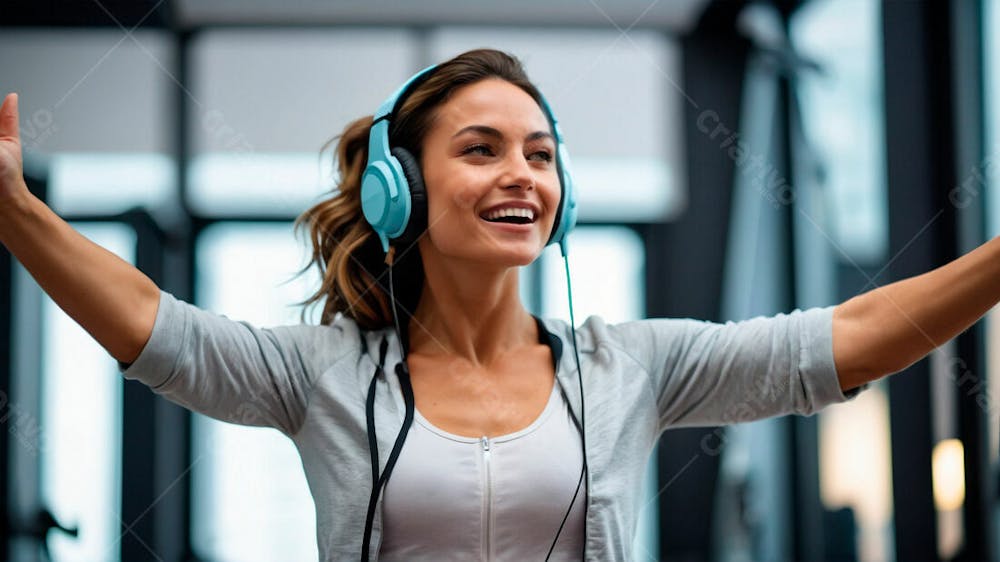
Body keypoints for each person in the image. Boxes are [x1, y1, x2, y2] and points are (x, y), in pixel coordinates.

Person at [0, 48, 998, 561]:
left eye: (540, 153)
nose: (521, 174)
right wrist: (17, 216)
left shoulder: (628, 367)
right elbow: (152, 324)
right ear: (401, 188)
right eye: (480, 149)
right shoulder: (320, 373)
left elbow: (844, 343)